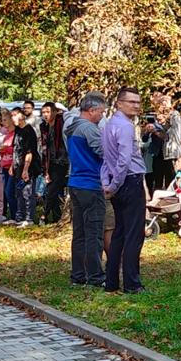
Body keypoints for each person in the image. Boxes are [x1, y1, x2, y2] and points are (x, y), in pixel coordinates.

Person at [101, 87, 148, 294]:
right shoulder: (125, 127)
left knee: (119, 232)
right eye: (131, 102)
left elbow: (105, 161)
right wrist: (113, 185)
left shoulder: (109, 125)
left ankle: (111, 281)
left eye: (138, 102)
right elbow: (123, 160)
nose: (136, 106)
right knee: (133, 234)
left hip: (117, 182)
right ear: (119, 103)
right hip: (129, 181)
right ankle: (132, 283)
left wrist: (107, 184)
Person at [65, 94, 110, 287]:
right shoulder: (89, 129)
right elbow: (103, 151)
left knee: (79, 233)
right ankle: (95, 276)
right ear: (91, 110)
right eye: (101, 112)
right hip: (91, 184)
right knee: (94, 233)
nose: (102, 116)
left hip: (75, 182)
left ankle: (78, 275)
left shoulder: (71, 128)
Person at [11, 107, 40, 225]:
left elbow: (29, 152)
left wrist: (26, 169)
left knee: (27, 193)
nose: (12, 118)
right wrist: (12, 166)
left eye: (15, 115)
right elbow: (16, 149)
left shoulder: (29, 131)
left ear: (22, 116)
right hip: (18, 165)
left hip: (28, 166)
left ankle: (29, 218)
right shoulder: (17, 130)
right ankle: (20, 216)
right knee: (19, 192)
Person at [41, 103, 68, 225]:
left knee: (52, 189)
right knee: (53, 190)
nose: (46, 115)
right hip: (50, 161)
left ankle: (44, 215)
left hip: (62, 160)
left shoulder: (61, 123)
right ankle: (56, 216)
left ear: (54, 112)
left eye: (48, 112)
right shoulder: (45, 126)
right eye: (43, 112)